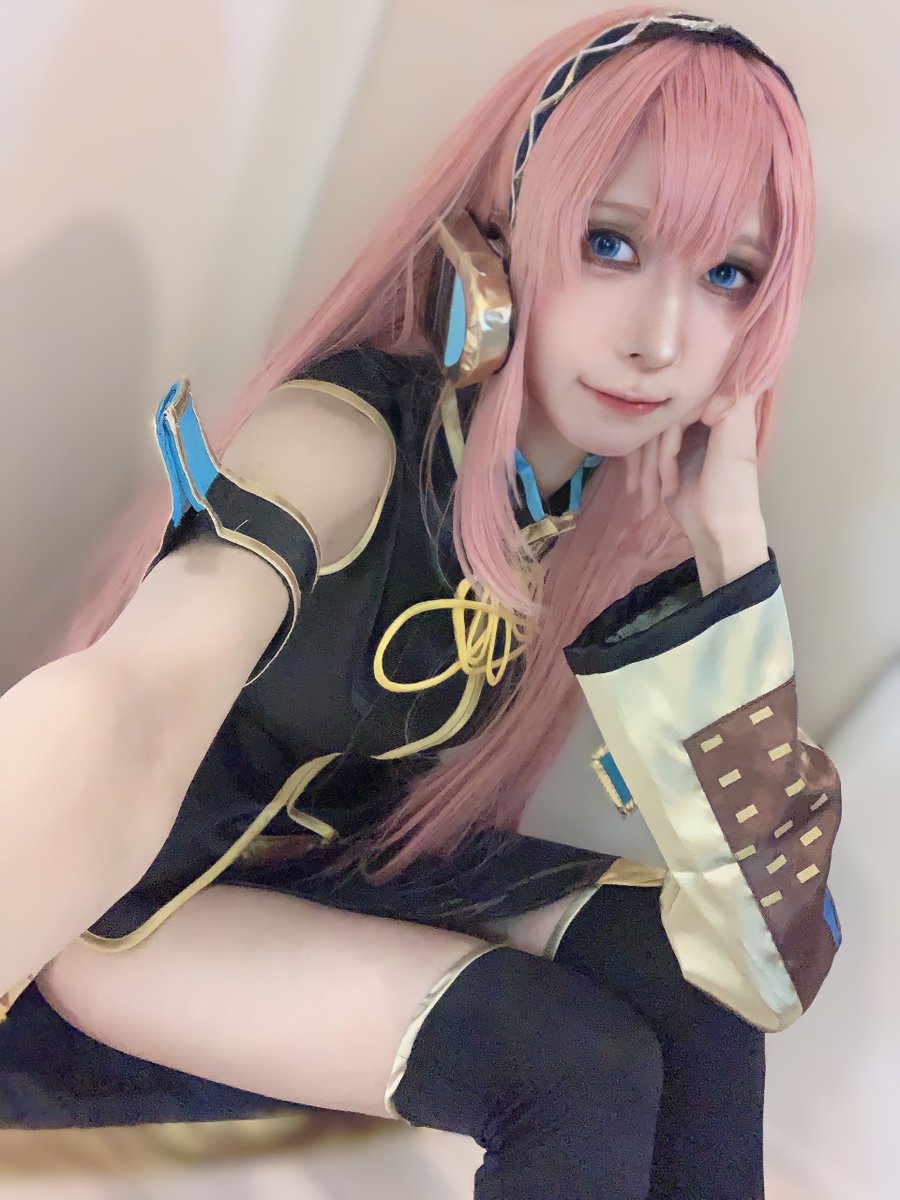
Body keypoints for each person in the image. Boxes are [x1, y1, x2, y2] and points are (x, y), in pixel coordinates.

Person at [0, 7, 843, 1196]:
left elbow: (764, 955)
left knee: (693, 987)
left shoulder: (598, 509)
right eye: (610, 243)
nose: (660, 338)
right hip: (141, 917)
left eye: (725, 276)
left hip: (338, 877)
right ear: (504, 232)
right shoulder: (341, 440)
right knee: (571, 1067)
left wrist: (731, 549)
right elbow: (129, 705)